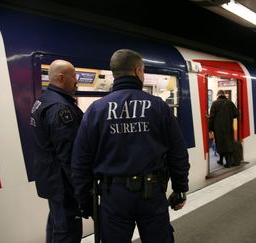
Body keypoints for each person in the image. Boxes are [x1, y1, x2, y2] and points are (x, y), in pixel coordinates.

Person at [71, 49, 190, 243]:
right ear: (138, 71)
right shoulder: (159, 107)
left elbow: (80, 161)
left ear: (114, 73)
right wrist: (180, 188)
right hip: (152, 194)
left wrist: (85, 200)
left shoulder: (95, 110)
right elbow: (178, 153)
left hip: (113, 196)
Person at [30, 60, 83, 243]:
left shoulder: (42, 100)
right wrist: (81, 189)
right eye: (74, 76)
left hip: (50, 179)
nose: (77, 81)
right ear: (61, 78)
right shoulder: (61, 108)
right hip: (63, 184)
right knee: (67, 232)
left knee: (56, 224)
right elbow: (69, 155)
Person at [208, 90, 238, 167]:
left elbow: (211, 117)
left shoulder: (214, 103)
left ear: (218, 95)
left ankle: (228, 162)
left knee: (220, 144)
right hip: (228, 127)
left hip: (218, 128)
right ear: (224, 95)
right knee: (228, 143)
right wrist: (229, 116)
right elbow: (236, 114)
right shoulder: (230, 103)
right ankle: (222, 160)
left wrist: (210, 128)